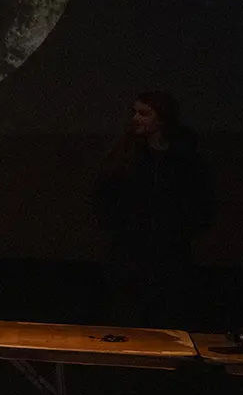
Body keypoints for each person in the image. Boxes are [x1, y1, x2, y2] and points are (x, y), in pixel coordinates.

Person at [92, 91, 215, 327]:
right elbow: (103, 196)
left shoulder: (185, 159)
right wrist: (120, 227)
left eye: (144, 113)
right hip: (129, 256)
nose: (136, 118)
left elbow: (202, 203)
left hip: (170, 258)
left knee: (166, 320)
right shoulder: (124, 155)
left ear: (162, 118)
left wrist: (180, 231)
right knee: (129, 319)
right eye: (135, 112)